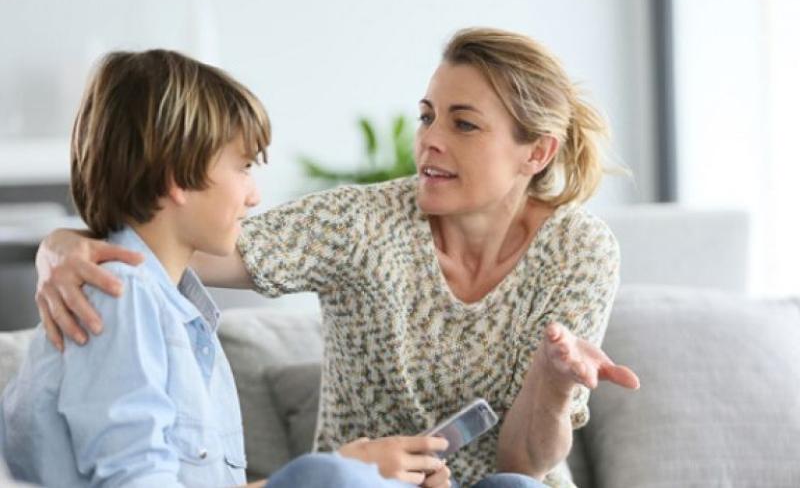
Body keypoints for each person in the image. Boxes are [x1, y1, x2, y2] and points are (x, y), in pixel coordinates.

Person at [33, 28, 641, 488]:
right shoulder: (361, 223)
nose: (430, 140)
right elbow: (172, 237)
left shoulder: (578, 250)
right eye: (427, 117)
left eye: (464, 125)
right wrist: (61, 246)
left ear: (537, 153)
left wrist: (554, 384)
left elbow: (523, 462)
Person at [0, 49, 445, 488]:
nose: (254, 195)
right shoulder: (121, 296)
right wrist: (337, 475)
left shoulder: (174, 308)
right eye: (244, 167)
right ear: (178, 176)